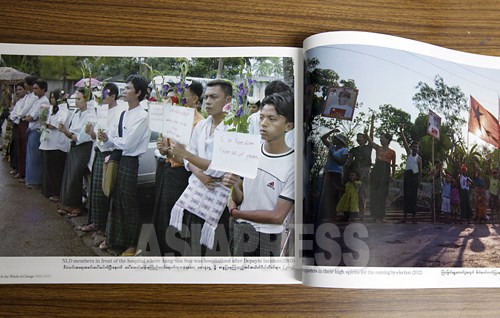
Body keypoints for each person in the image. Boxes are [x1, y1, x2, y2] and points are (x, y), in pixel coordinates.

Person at [222, 93, 294, 256]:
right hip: (240, 230)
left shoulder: (293, 165)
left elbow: (277, 217)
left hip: (267, 238)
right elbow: (241, 198)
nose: (263, 124)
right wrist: (233, 185)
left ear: (288, 126)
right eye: (261, 117)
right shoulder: (250, 152)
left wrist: (236, 213)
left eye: (272, 119)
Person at [169, 79, 233, 256]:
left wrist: (186, 155)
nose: (208, 102)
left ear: (228, 100)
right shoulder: (202, 125)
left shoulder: (234, 128)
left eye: (214, 97)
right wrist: (199, 174)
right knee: (190, 241)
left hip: (218, 193)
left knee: (211, 249)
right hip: (197, 188)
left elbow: (218, 167)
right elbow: (189, 160)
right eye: (206, 97)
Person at [97, 75, 150, 256]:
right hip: (118, 158)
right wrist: (106, 138)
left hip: (129, 161)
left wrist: (111, 139)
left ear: (138, 93)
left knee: (128, 203)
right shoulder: (123, 113)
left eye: (128, 88)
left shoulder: (142, 117)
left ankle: (132, 244)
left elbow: (128, 144)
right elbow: (114, 140)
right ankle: (114, 239)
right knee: (115, 200)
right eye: (125, 87)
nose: (125, 91)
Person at [153, 80, 205, 255]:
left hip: (183, 175)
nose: (178, 97)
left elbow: (191, 156)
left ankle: (175, 256)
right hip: (168, 171)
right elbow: (167, 150)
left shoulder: (198, 123)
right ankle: (161, 253)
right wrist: (163, 149)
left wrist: (170, 152)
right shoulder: (174, 117)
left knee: (178, 219)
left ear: (195, 98)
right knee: (163, 216)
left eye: (183, 94)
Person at [82, 83, 127, 245]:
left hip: (110, 154)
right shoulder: (102, 110)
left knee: (104, 191)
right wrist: (92, 133)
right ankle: (95, 222)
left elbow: (115, 139)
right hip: (99, 152)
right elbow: (97, 136)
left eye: (105, 95)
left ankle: (102, 228)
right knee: (94, 190)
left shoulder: (120, 112)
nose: (103, 98)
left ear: (113, 96)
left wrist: (105, 138)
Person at [57, 87, 93, 218]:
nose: (76, 102)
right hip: (74, 146)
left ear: (86, 99)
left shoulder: (90, 114)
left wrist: (69, 133)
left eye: (79, 99)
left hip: (83, 147)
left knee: (75, 176)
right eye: (75, 99)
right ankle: (68, 204)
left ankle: (76, 206)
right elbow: (72, 132)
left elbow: (83, 136)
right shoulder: (76, 113)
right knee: (69, 174)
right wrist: (67, 132)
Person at [39, 89, 70, 202]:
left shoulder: (64, 110)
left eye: (53, 98)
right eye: (51, 97)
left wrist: (46, 124)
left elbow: (56, 125)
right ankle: (48, 190)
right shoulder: (52, 109)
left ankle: (56, 193)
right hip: (49, 142)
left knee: (56, 170)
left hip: (58, 144)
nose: (51, 100)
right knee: (49, 168)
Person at [316, 129, 349, 223]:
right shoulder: (332, 147)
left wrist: (332, 155)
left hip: (336, 173)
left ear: (340, 141)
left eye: (335, 139)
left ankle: (333, 215)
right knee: (326, 193)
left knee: (334, 194)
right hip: (328, 172)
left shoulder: (344, 150)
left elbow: (342, 162)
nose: (333, 140)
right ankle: (325, 213)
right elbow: (323, 138)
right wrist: (332, 131)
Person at [25, 79, 50, 189]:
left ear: (43, 89)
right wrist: (29, 118)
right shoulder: (37, 100)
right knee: (30, 156)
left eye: (36, 88)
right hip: (32, 129)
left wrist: (29, 118)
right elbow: (28, 115)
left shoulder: (44, 102)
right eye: (34, 88)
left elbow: (32, 117)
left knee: (35, 157)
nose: (34, 91)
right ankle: (31, 179)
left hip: (37, 131)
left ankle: (35, 181)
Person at [366, 132, 396, 223]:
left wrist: (392, 176)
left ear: (387, 140)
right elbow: (371, 142)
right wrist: (366, 133)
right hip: (376, 170)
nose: (380, 139)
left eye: (382, 137)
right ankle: (374, 216)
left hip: (386, 171)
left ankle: (382, 216)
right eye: (380, 137)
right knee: (374, 192)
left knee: (382, 194)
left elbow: (393, 165)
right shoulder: (378, 148)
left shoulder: (392, 152)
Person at [17, 75, 39, 183]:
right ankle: (24, 174)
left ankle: (28, 176)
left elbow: (25, 111)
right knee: (23, 149)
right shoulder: (28, 96)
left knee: (28, 151)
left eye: (25, 83)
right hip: (24, 121)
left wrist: (22, 115)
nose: (24, 85)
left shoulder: (34, 97)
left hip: (28, 123)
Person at [346, 132, 372, 221]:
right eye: (357, 137)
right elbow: (349, 161)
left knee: (362, 194)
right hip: (355, 172)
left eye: (360, 137)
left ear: (365, 139)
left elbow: (370, 136)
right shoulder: (354, 149)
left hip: (364, 172)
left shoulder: (368, 147)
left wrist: (371, 125)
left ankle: (362, 214)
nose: (358, 139)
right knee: (353, 194)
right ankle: (352, 214)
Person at [399, 129, 422, 224]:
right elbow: (404, 142)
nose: (415, 148)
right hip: (407, 176)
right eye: (414, 146)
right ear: (412, 147)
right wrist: (401, 132)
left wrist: (419, 182)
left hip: (414, 177)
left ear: (418, 148)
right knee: (406, 197)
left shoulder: (419, 158)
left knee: (413, 198)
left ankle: (413, 217)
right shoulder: (409, 153)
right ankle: (405, 217)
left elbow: (420, 171)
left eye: (417, 147)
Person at [7, 82, 27, 176]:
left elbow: (21, 113)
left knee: (20, 148)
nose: (18, 92)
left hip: (21, 125)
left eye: (20, 89)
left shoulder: (26, 100)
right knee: (14, 146)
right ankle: (15, 167)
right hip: (15, 124)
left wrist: (15, 116)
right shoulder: (18, 101)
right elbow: (14, 113)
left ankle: (19, 169)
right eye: (17, 90)